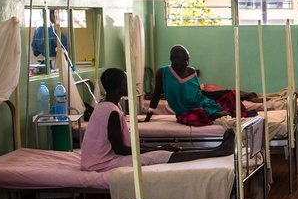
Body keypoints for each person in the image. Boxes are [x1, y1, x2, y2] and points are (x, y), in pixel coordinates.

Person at [81, 68, 235, 172]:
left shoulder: (106, 105)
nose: (129, 85)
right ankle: (217, 151)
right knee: (159, 155)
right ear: (121, 86)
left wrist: (158, 147)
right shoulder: (111, 111)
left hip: (101, 159)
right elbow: (120, 150)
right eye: (127, 82)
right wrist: (158, 148)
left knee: (164, 149)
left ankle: (214, 150)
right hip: (101, 164)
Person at [146, 45, 231, 125]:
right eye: (183, 60)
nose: (187, 63)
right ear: (172, 59)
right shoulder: (163, 72)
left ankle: (221, 111)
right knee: (199, 115)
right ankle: (218, 113)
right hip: (183, 110)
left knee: (231, 96)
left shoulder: (191, 71)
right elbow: (156, 95)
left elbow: (200, 93)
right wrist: (148, 116)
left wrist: (222, 92)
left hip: (199, 103)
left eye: (187, 59)